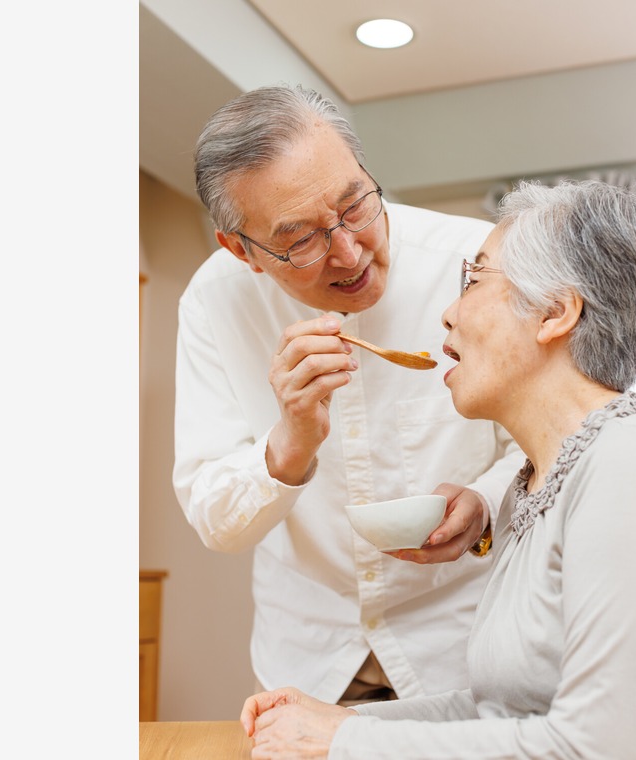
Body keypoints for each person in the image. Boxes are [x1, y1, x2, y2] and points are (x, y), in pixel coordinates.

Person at [239, 178, 636, 759]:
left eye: (474, 280)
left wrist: (341, 741)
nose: (448, 313)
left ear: (554, 313)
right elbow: (497, 711)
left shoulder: (625, 463)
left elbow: (598, 746)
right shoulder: (531, 484)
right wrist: (334, 719)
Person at [172, 84, 528, 707]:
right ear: (242, 250)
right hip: (307, 662)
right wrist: (290, 443)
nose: (349, 250)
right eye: (299, 240)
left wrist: (485, 502)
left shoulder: (477, 265)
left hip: (466, 656)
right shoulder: (214, 301)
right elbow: (214, 519)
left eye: (355, 204)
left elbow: (552, 441)